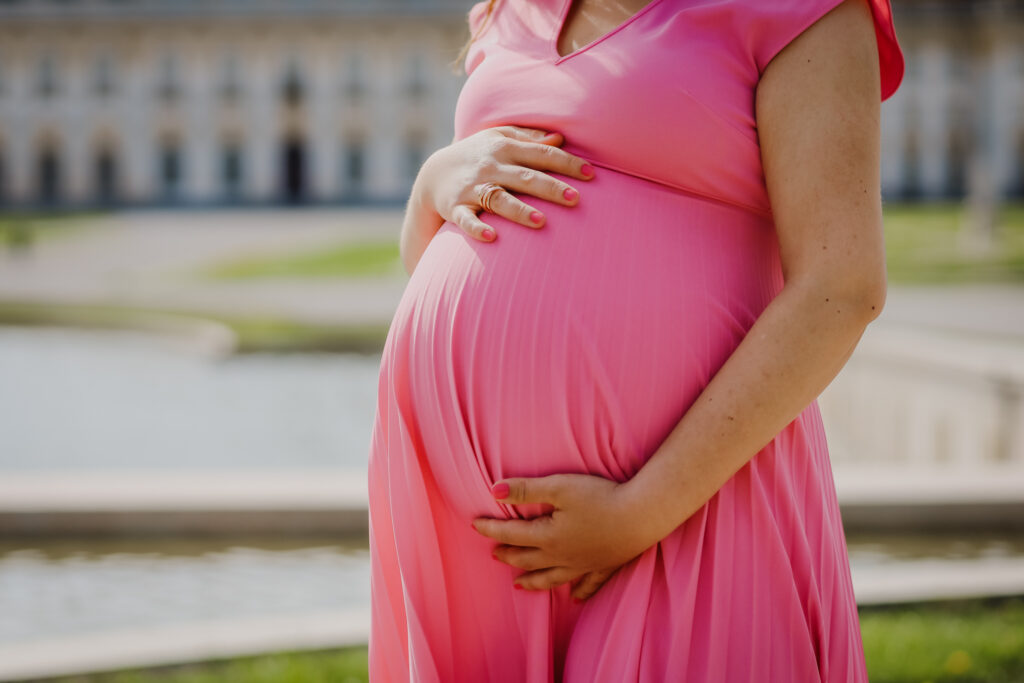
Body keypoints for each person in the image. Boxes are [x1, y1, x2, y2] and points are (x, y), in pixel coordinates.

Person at [368, 0, 905, 680]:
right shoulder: (510, 11)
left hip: (688, 503)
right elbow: (449, 251)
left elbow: (842, 287)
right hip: (472, 525)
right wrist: (430, 186)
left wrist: (636, 512)